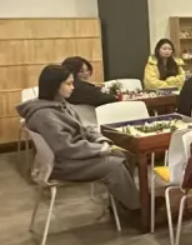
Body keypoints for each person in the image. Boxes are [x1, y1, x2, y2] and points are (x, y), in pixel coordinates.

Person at [16, 65, 140, 213]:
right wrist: (99, 150)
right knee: (114, 166)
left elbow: (84, 129)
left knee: (124, 154)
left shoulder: (61, 104)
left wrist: (100, 140)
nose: (73, 87)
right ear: (55, 86)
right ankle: (136, 209)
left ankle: (125, 204)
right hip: (61, 164)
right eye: (68, 84)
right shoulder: (44, 115)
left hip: (73, 157)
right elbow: (66, 148)